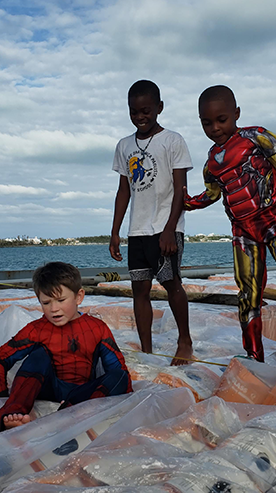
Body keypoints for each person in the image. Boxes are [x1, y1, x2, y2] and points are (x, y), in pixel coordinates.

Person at [184, 85, 276, 368]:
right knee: (248, 292)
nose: (215, 128)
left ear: (236, 114)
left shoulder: (256, 137)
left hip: (275, 220)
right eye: (206, 122)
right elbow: (211, 196)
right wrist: (184, 202)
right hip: (242, 231)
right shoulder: (210, 164)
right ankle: (253, 353)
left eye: (222, 119)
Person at [0, 261, 132, 432]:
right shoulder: (36, 329)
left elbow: (117, 369)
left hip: (82, 394)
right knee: (39, 355)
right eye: (46, 303)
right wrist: (3, 399)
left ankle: (74, 411)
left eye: (61, 300)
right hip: (49, 388)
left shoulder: (97, 328)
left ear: (79, 297)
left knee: (120, 375)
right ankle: (13, 411)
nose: (54, 309)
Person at [110, 80, 193, 366]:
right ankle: (146, 351)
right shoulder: (124, 146)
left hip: (164, 228)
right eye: (134, 112)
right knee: (140, 290)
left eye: (146, 111)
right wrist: (115, 232)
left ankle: (185, 342)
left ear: (159, 108)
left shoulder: (172, 141)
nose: (140, 117)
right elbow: (124, 190)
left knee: (172, 283)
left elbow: (181, 190)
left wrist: (171, 228)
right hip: (138, 230)